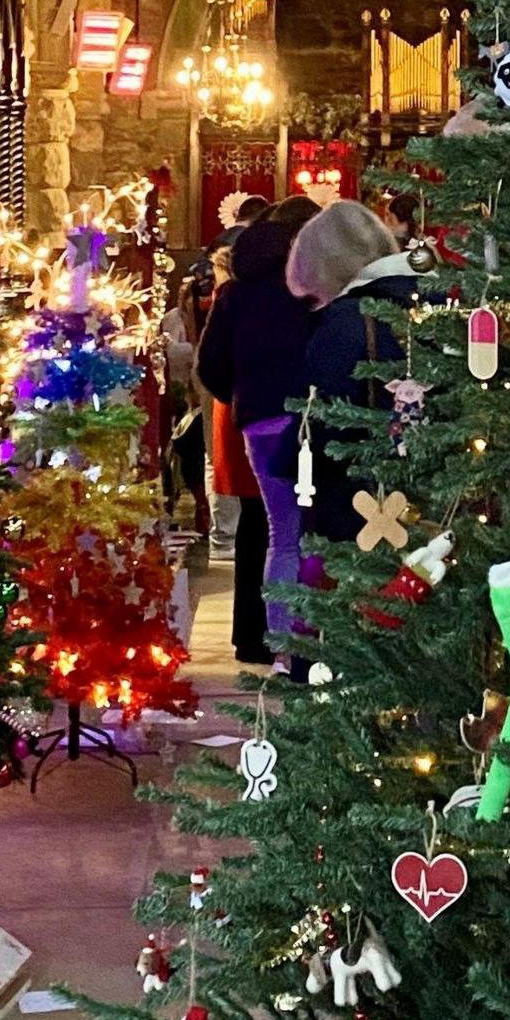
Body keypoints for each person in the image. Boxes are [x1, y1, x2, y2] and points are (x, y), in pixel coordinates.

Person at [197, 192, 318, 669]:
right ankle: (314, 644)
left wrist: (246, 397)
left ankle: (283, 648)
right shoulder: (311, 285)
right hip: (314, 416)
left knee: (282, 535)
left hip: (262, 423)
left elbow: (211, 367)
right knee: (315, 533)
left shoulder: (235, 292)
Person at [287, 198, 421, 551]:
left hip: (357, 507)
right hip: (434, 503)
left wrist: (286, 455)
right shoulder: (432, 301)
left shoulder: (345, 322)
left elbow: (321, 422)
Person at [158, 264, 213, 541]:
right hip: (182, 394)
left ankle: (206, 506)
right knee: (186, 442)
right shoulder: (173, 320)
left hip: (204, 397)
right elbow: (172, 354)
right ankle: (200, 501)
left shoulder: (210, 317)